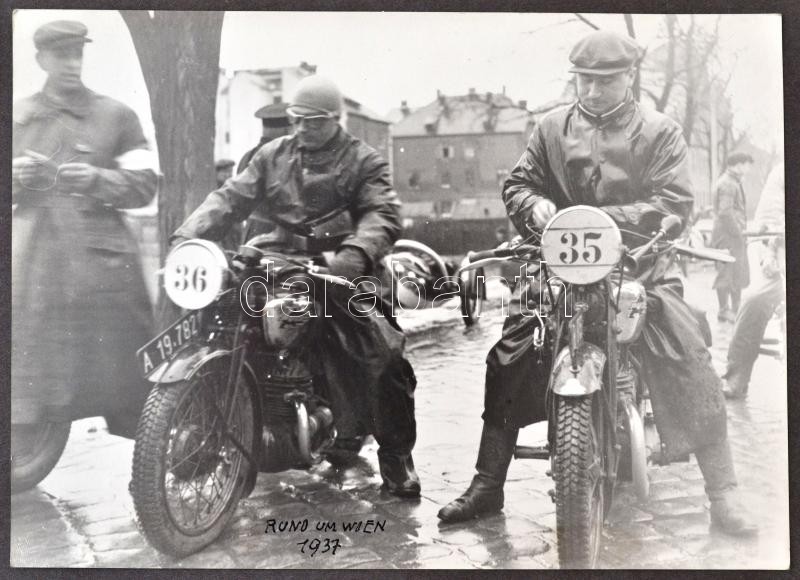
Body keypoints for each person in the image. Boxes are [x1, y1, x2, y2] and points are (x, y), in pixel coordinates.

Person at [437, 30, 756, 536]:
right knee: (511, 350)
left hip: (641, 265)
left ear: (629, 76)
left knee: (685, 348)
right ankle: (488, 483)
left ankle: (723, 491)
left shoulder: (660, 131)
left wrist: (596, 221)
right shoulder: (549, 129)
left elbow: (674, 202)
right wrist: (532, 205)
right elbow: (518, 184)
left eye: (605, 80)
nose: (592, 90)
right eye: (584, 79)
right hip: (560, 270)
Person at [171, 75, 421, 498]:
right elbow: (230, 197)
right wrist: (188, 235)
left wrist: (354, 255)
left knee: (381, 357)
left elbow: (382, 213)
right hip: (279, 259)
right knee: (222, 320)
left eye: (314, 121)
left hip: (340, 268)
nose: (303, 128)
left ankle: (396, 457)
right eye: (297, 119)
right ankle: (207, 427)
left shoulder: (364, 161)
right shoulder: (273, 155)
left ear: (336, 119)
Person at [12, 20, 158, 438]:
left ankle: (146, 438)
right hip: (34, 259)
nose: (72, 64)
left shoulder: (116, 116)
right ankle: (24, 442)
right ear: (41, 59)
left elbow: (145, 185)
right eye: (61, 55)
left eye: (77, 54)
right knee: (30, 351)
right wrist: (14, 175)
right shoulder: (17, 117)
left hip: (102, 262)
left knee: (119, 352)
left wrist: (97, 179)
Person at [722, 162, 785, 399]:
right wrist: (770, 253)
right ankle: (736, 375)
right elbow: (770, 220)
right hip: (780, 251)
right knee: (754, 300)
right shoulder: (781, 172)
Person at [237, 101, 293, 240]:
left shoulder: (247, 156)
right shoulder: (283, 158)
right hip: (276, 235)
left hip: (252, 231)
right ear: (287, 130)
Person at [710, 152, 754, 322]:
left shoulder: (733, 181)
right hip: (727, 235)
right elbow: (725, 212)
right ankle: (724, 310)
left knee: (737, 271)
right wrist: (738, 233)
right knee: (726, 272)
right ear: (739, 165)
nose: (748, 168)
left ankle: (736, 309)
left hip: (731, 234)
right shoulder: (728, 183)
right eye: (747, 164)